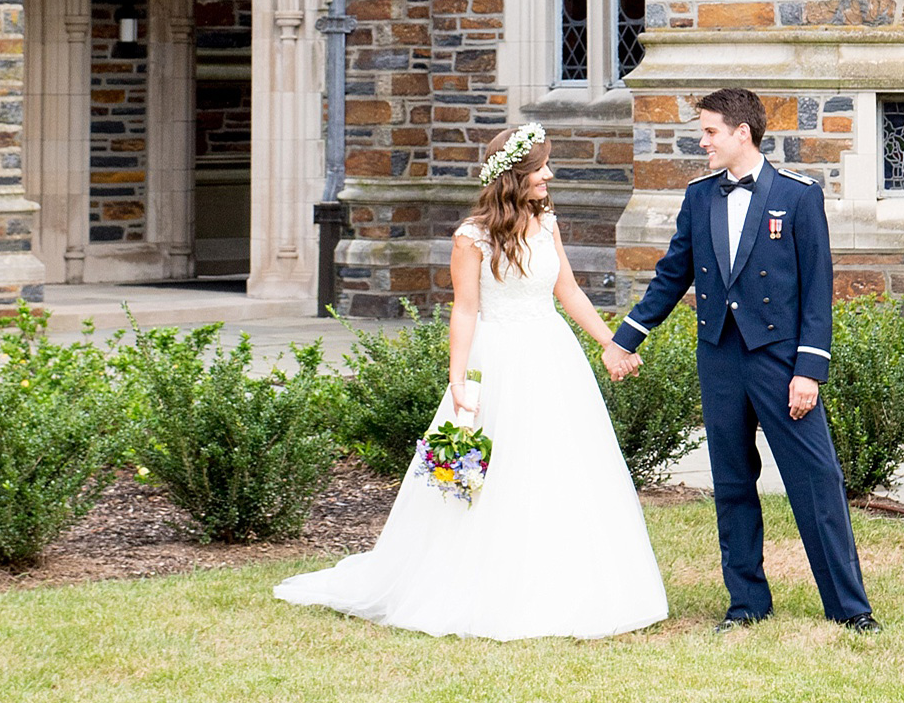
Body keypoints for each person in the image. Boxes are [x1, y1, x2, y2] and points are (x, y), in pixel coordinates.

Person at [275, 127, 666, 639]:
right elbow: (464, 309)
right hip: (499, 358)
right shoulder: (472, 236)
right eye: (539, 168)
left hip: (552, 354)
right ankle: (486, 582)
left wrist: (609, 343)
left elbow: (567, 289)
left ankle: (568, 581)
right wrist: (457, 380)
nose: (548, 175)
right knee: (496, 471)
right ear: (512, 176)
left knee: (561, 463)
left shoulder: (546, 222)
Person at [610, 88, 877, 633]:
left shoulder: (799, 197)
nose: (701, 141)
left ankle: (850, 609)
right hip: (721, 360)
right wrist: (626, 338)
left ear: (741, 133)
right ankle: (747, 603)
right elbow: (671, 275)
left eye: (709, 131)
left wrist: (810, 370)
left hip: (781, 362)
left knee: (816, 479)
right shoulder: (699, 196)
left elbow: (816, 290)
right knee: (732, 482)